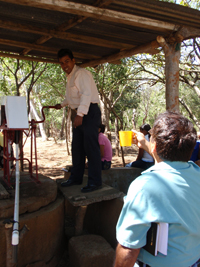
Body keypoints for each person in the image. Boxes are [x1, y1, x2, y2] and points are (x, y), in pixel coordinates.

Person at [114, 111, 200, 267]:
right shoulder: (196, 174)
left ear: (153, 145)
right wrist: (148, 144)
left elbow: (128, 249)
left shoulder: (144, 186)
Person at [55, 49, 102, 193]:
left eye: (66, 61)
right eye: (61, 63)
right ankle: (76, 178)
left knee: (91, 148)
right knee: (77, 148)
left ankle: (95, 182)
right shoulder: (70, 76)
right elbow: (72, 97)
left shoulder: (81, 73)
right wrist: (62, 104)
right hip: (80, 113)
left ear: (73, 60)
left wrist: (80, 115)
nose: (64, 65)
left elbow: (86, 95)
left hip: (89, 113)